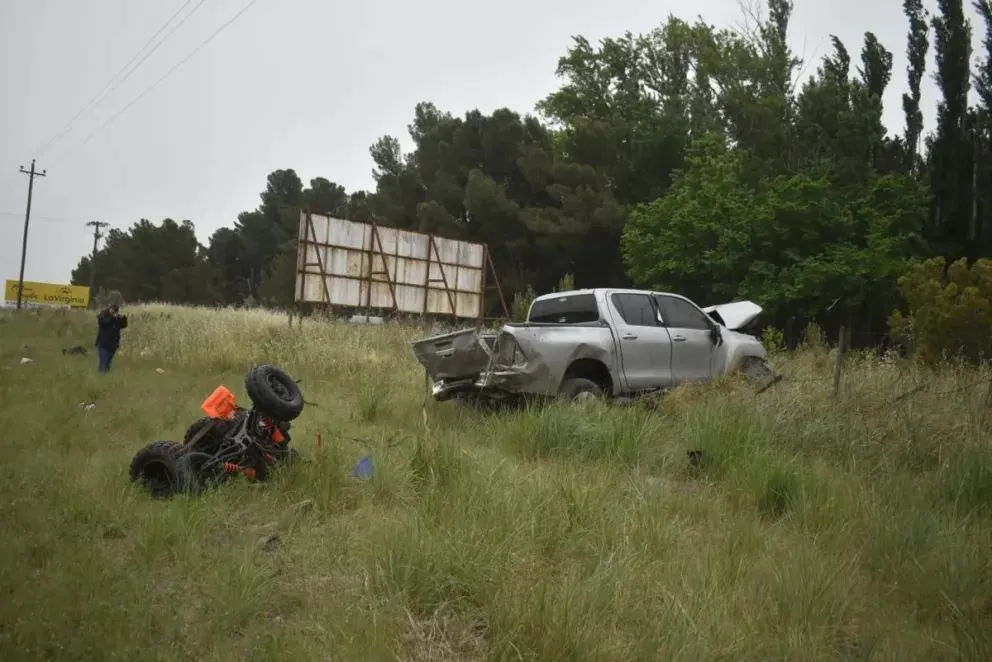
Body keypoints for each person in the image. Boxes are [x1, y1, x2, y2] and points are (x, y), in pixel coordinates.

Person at [95, 303, 129, 373]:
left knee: (108, 363)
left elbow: (123, 325)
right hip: (103, 344)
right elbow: (105, 322)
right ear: (109, 309)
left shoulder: (116, 317)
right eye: (113, 310)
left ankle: (105, 378)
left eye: (116, 311)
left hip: (113, 344)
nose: (114, 312)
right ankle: (101, 377)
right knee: (103, 363)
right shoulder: (103, 315)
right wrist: (112, 316)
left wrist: (123, 318)